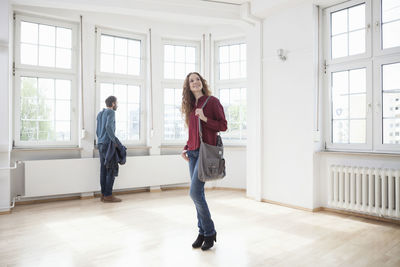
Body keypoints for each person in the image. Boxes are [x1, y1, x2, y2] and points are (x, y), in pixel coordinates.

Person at [181, 72, 227, 251]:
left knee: (194, 193)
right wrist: (186, 147)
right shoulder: (191, 106)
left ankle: (209, 232)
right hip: (192, 152)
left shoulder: (212, 101)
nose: (195, 82)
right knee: (198, 195)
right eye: (191, 81)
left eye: (197, 79)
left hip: (205, 152)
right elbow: (192, 131)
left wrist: (205, 118)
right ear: (188, 86)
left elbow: (223, 125)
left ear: (202, 82)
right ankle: (202, 231)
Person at [96, 96, 122, 203]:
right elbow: (108, 127)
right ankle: (108, 195)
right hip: (107, 144)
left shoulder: (100, 113)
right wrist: (114, 141)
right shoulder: (111, 112)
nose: (117, 105)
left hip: (100, 143)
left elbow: (98, 131)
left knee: (103, 169)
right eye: (117, 103)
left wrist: (101, 139)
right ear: (112, 104)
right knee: (111, 169)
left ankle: (103, 194)